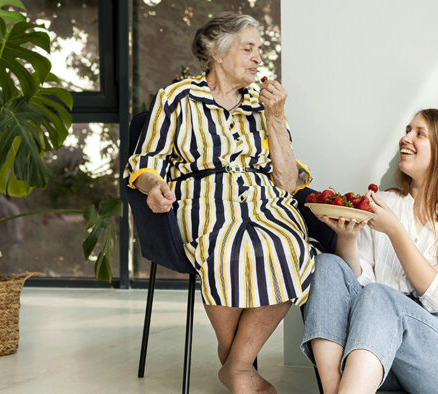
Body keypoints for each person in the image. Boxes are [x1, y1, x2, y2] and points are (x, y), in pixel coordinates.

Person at [124, 12, 317, 394]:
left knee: (291, 247)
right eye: (248, 48)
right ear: (216, 51)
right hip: (204, 200)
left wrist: (275, 117)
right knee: (227, 247)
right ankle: (241, 370)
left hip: (264, 198)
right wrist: (152, 187)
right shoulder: (176, 98)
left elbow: (288, 181)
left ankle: (236, 367)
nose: (258, 58)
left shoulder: (263, 105)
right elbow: (146, 162)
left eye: (259, 50)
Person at [301, 109, 438, 394]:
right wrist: (348, 240)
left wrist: (395, 232)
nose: (405, 138)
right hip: (376, 353)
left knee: (381, 295)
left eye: (419, 133)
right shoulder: (384, 202)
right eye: (407, 130)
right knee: (328, 264)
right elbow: (359, 283)